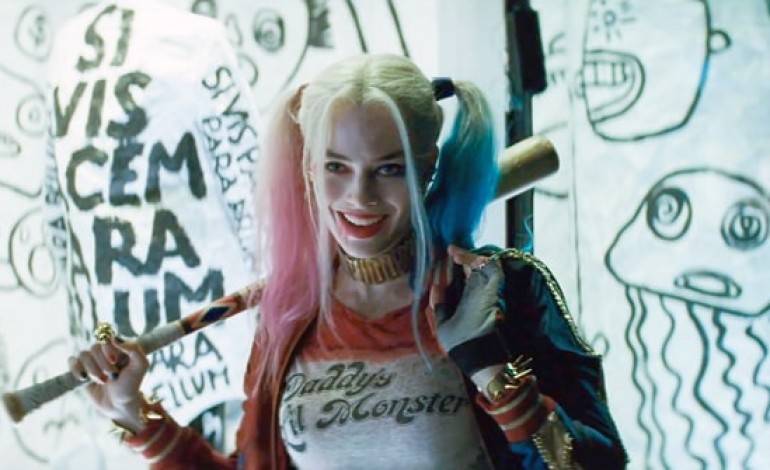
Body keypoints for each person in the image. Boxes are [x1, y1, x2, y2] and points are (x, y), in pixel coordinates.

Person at [68, 53, 627, 469]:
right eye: (337, 166)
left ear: (428, 167)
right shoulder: (291, 316)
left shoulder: (503, 291)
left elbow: (596, 463)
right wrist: (132, 412)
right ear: (309, 167)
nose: (360, 197)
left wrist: (488, 364)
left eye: (389, 169)